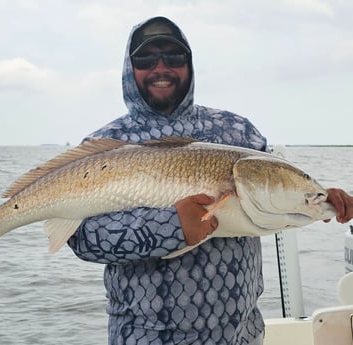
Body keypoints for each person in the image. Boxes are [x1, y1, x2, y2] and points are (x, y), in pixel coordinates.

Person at [67, 16, 353, 345]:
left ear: (189, 64)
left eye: (174, 57)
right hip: (145, 337)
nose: (161, 67)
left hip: (242, 334)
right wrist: (171, 227)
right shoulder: (106, 144)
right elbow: (84, 240)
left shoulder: (238, 132)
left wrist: (322, 199)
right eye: (146, 59)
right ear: (129, 69)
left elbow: (269, 200)